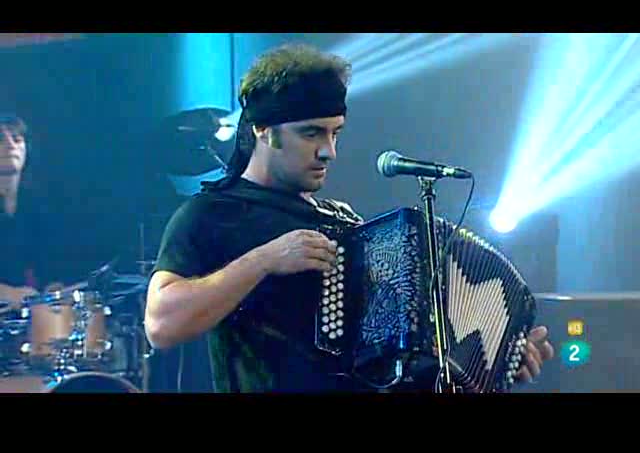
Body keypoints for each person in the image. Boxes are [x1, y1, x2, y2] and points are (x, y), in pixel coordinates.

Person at [145, 44, 554, 393]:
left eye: (335, 133)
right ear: (264, 131)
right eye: (311, 133)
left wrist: (497, 356)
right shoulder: (211, 214)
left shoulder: (342, 222)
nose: (329, 151)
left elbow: (399, 361)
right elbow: (161, 324)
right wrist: (264, 260)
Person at [0, 114, 43, 311]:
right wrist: (8, 294)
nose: (11, 145)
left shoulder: (35, 205)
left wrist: (53, 286)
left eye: (17, 139)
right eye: (0, 140)